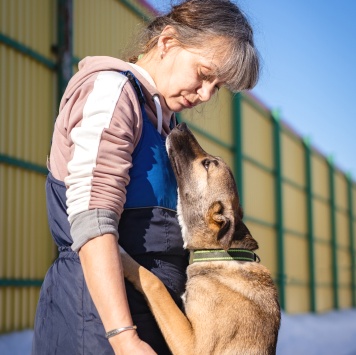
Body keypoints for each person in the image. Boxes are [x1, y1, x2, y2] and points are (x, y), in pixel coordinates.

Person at [32, 0, 259, 354]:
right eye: (203, 73)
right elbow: (93, 222)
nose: (205, 95)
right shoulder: (112, 92)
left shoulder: (164, 124)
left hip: (146, 328)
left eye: (217, 86)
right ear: (167, 42)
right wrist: (123, 336)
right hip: (96, 326)